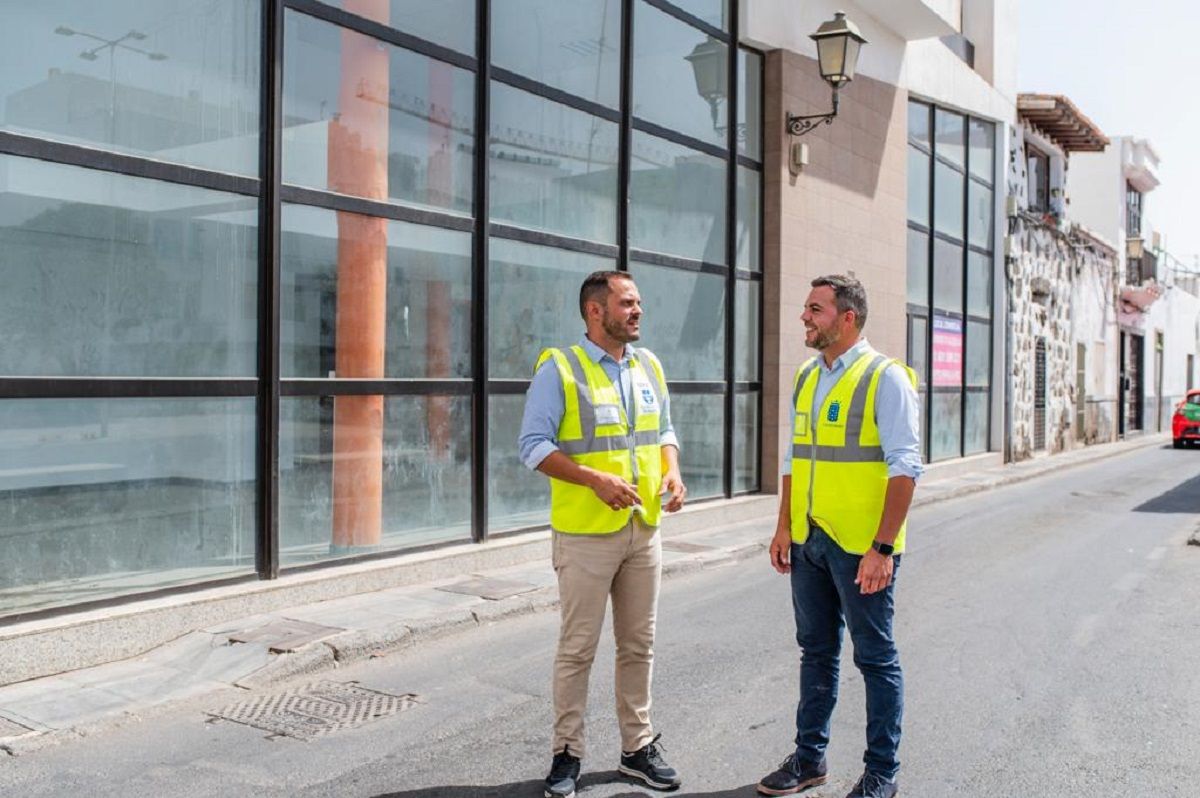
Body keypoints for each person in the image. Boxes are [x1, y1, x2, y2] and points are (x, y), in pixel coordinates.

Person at [519, 270, 688, 798]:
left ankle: (637, 748)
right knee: (578, 650)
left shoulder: (649, 365)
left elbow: (662, 430)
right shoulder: (560, 369)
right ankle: (566, 754)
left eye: (639, 302)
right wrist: (594, 480)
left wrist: (673, 470)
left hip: (645, 530)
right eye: (628, 303)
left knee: (639, 645)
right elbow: (532, 445)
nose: (638, 311)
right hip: (586, 535)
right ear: (597, 311)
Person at [757, 275, 922, 798]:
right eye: (807, 308)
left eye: (815, 309)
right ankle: (809, 760)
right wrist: (784, 525)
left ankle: (882, 773)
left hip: (861, 548)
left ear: (847, 318)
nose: (804, 317)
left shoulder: (885, 378)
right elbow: (794, 459)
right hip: (809, 542)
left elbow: (906, 468)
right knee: (816, 652)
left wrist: (883, 548)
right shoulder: (807, 376)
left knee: (875, 658)